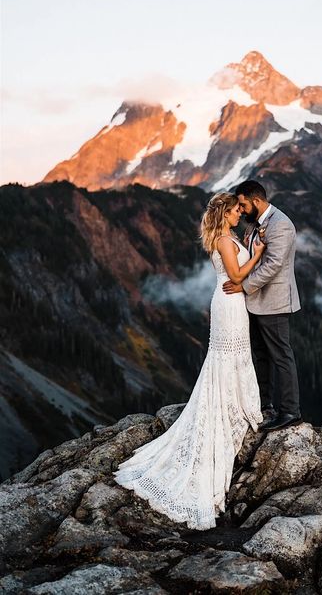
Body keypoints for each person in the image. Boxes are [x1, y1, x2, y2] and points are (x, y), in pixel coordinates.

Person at [113, 192, 265, 531]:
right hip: (229, 304)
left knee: (234, 355)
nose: (240, 214)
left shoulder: (226, 236)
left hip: (230, 304)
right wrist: (256, 255)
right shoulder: (225, 240)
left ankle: (237, 402)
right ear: (225, 213)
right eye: (236, 210)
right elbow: (237, 278)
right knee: (229, 356)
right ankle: (233, 405)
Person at [223, 179, 301, 432]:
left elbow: (273, 265)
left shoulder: (281, 225)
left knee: (281, 356)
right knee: (260, 355)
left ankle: (290, 411)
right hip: (256, 302)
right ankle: (264, 405)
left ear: (256, 201)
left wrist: (243, 287)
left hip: (274, 302)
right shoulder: (257, 224)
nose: (242, 210)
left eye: (244, 205)